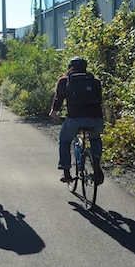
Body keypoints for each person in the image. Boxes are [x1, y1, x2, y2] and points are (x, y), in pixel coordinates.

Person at [49, 56, 104, 185]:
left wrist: (54, 113)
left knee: (64, 140)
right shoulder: (94, 81)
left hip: (75, 119)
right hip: (96, 118)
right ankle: (96, 162)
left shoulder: (65, 81)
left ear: (70, 67)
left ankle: (66, 171)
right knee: (95, 138)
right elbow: (99, 99)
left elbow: (58, 99)